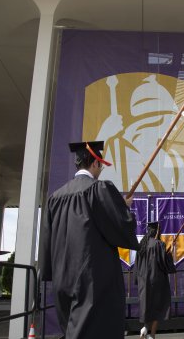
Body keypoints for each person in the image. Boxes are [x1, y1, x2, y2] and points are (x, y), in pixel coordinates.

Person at [39, 141, 139, 339]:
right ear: (94, 163)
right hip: (92, 278)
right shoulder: (99, 189)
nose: (101, 169)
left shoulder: (55, 197)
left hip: (62, 278)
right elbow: (122, 226)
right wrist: (124, 207)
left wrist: (51, 273)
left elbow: (46, 239)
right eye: (100, 165)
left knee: (70, 330)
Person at [136, 221, 176, 339]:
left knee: (147, 306)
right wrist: (171, 251)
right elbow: (164, 263)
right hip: (157, 281)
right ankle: (152, 335)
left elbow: (137, 265)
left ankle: (144, 329)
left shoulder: (141, 245)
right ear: (157, 231)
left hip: (143, 282)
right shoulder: (159, 244)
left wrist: (138, 281)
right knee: (158, 307)